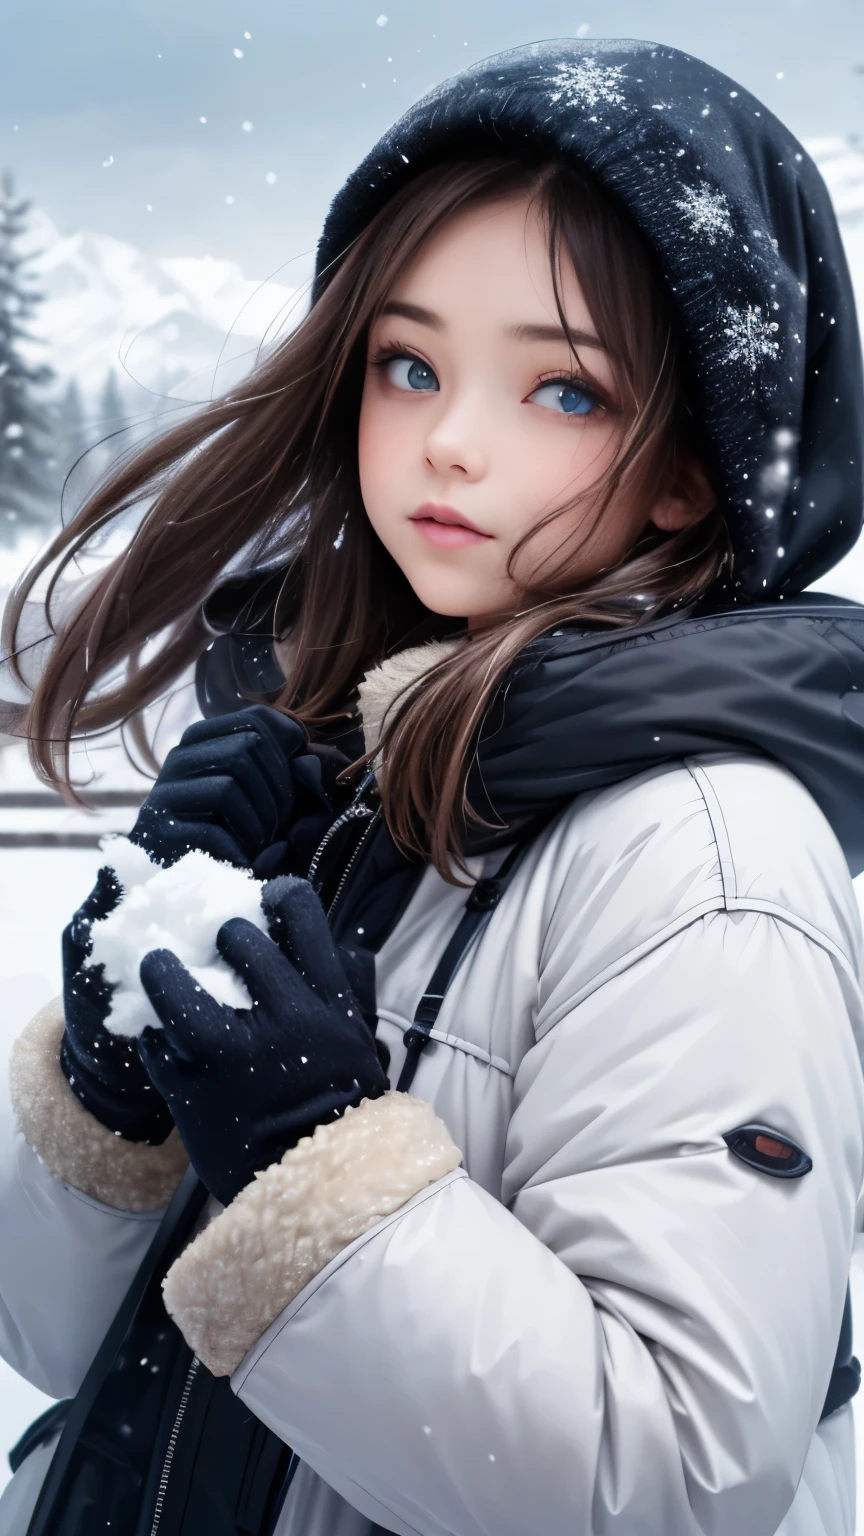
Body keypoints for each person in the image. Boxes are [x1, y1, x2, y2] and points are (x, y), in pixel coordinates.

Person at [1, 33, 863, 1536]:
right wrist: (113, 1080)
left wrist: (313, 1150)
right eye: (410, 365)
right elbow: (59, 1347)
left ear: (691, 472)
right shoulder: (353, 771)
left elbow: (662, 1484)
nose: (448, 442)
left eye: (566, 393)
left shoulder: (704, 856)